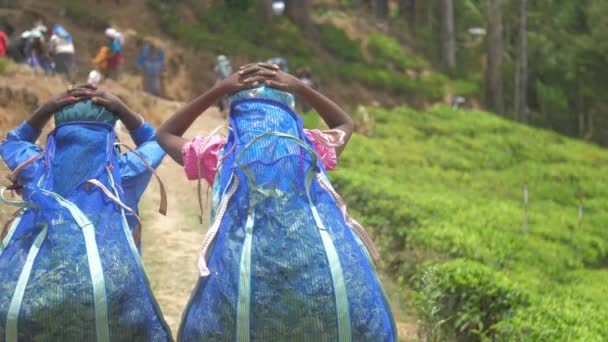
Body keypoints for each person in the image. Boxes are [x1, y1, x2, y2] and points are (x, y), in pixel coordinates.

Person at [157, 63, 396, 340]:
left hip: (246, 291)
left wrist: (219, 90)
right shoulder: (310, 149)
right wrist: (301, 87)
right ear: (291, 115)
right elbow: (345, 124)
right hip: (314, 287)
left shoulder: (222, 155)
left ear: (235, 120)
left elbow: (165, 135)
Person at [0, 84, 171, 340]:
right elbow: (159, 141)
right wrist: (123, 110)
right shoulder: (122, 174)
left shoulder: (37, 170)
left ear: (57, 135)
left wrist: (47, 108)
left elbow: (13, 142)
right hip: (108, 294)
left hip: (36, 294)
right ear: (109, 137)